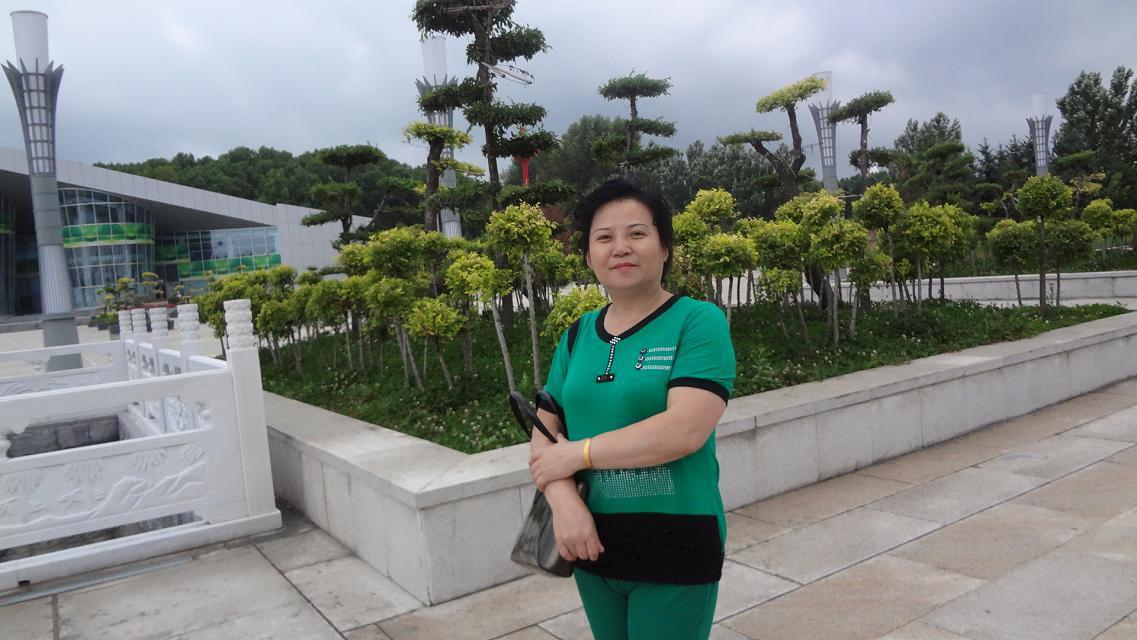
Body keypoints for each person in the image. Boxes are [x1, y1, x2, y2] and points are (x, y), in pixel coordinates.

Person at [529, 177, 735, 640]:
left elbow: (683, 430)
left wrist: (578, 454)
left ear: (665, 248)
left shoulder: (697, 322)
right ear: (589, 257)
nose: (620, 247)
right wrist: (564, 504)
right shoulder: (577, 335)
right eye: (604, 237)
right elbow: (543, 437)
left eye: (637, 233)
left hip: (676, 542)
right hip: (590, 541)